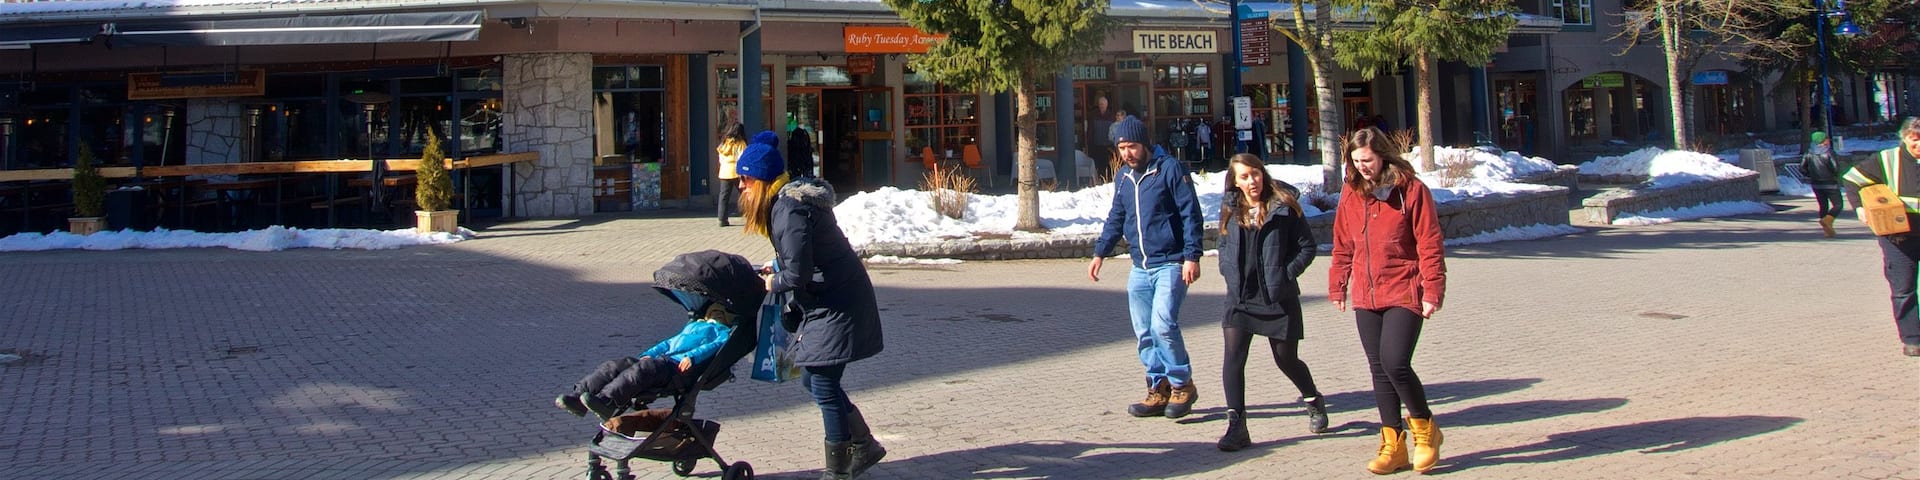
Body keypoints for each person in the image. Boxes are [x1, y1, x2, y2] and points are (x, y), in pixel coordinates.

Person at [733, 131, 888, 479]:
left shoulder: (788, 210)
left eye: (745, 179)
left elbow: (798, 273)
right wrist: (778, 265)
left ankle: (839, 470)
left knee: (822, 383)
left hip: (838, 302)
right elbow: (803, 254)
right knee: (814, 380)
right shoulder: (786, 205)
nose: (740, 186)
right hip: (831, 298)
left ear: (761, 181)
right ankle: (864, 444)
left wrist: (773, 282)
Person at [1328, 126, 1447, 474]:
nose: (1362, 167)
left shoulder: (1411, 190)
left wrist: (1433, 289)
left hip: (1404, 288)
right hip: (1366, 293)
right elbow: (1342, 243)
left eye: (1367, 160)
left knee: (1395, 362)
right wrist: (1338, 284)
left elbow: (1429, 243)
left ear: (1382, 155)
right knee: (1378, 369)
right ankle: (1393, 443)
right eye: (1355, 161)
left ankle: (1425, 429)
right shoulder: (1351, 192)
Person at [1087, 115, 1206, 420]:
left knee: (1163, 325)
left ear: (1145, 143)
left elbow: (1190, 214)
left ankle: (1182, 385)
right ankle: (1158, 387)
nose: (1127, 153)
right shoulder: (1123, 178)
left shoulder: (1169, 169)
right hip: (1140, 267)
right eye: (1122, 148)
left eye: (1132, 146)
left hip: (1171, 263)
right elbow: (1116, 217)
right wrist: (1100, 252)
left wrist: (1192, 256)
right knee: (1144, 332)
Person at [1214, 153, 1328, 452]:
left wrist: (1284, 274)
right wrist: (1227, 269)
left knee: (1286, 358)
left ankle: (1313, 399)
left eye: (1255, 173)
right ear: (1235, 182)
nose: (1252, 181)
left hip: (1277, 296)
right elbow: (1223, 243)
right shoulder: (1230, 207)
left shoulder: (1283, 206)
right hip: (1240, 297)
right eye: (1244, 176)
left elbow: (1307, 247)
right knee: (1233, 358)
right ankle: (1237, 426)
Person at [556, 301, 739, 421]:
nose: (717, 314)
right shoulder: (693, 325)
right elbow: (668, 343)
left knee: (641, 370)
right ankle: (579, 397)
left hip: (677, 369)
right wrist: (649, 353)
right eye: (714, 311)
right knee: (616, 365)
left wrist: (692, 356)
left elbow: (713, 347)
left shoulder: (722, 332)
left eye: (721, 313)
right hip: (662, 360)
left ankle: (608, 402)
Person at [1841, 117, 1920, 357]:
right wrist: (1860, 208)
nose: (1918, 145)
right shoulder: (1887, 159)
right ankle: (1912, 339)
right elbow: (1852, 179)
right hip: (1898, 238)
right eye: (1914, 140)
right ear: (1904, 138)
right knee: (1903, 288)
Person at [1803, 131, 1845, 238]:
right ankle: (1828, 220)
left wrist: (1811, 175)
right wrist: (1834, 176)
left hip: (1816, 184)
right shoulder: (1829, 152)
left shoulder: (1809, 153)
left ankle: (1827, 230)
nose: (1828, 140)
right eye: (1826, 138)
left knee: (1823, 206)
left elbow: (1802, 168)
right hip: (1830, 183)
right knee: (1838, 204)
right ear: (1822, 141)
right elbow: (1835, 168)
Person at [715, 123, 747, 227]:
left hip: (724, 171)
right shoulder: (740, 143)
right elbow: (742, 158)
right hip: (737, 171)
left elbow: (720, 158)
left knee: (724, 196)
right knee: (745, 194)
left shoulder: (724, 142)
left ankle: (722, 219)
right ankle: (750, 215)